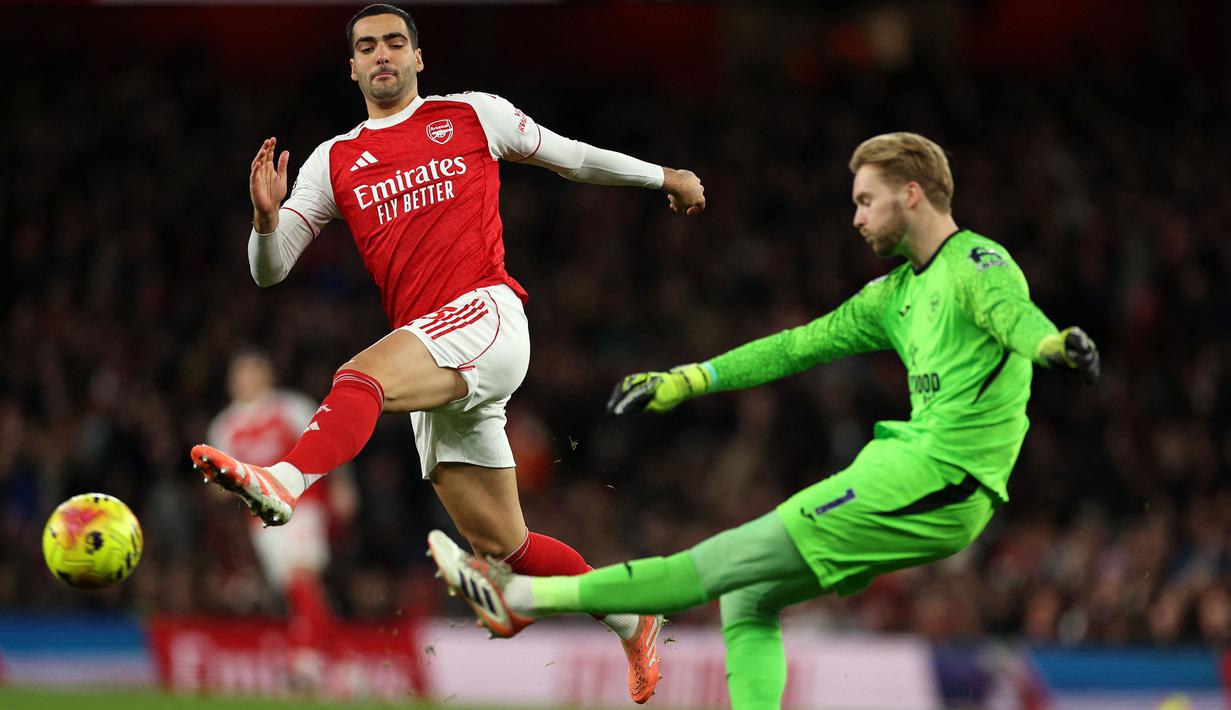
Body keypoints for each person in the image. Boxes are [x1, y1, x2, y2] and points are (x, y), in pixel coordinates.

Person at [426, 132, 1100, 709]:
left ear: (913, 193)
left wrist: (1052, 346)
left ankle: (525, 598)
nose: (857, 218)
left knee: (725, 559)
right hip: (914, 473)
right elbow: (794, 346)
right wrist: (688, 379)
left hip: (941, 473)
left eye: (866, 201)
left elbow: (1014, 319)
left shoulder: (976, 264)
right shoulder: (894, 293)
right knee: (748, 598)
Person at [188, 4, 704, 702]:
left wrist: (661, 174)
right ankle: (629, 617)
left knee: (355, 376)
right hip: (432, 355)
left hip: (486, 316)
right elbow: (269, 270)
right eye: (366, 46)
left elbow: (571, 157)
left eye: (394, 43)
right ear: (351, 66)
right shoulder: (334, 161)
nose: (381, 56)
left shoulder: (471, 115)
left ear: (418, 57)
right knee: (505, 546)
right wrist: (263, 219)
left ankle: (285, 480)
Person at [205, 349, 376, 696]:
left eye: (252, 370)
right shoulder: (226, 425)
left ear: (267, 375)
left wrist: (344, 486)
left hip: (304, 504)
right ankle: (343, 665)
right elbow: (218, 488)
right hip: (261, 522)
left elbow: (331, 440)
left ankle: (304, 659)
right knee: (300, 587)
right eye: (239, 373)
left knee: (301, 575)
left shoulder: (289, 407)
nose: (245, 379)